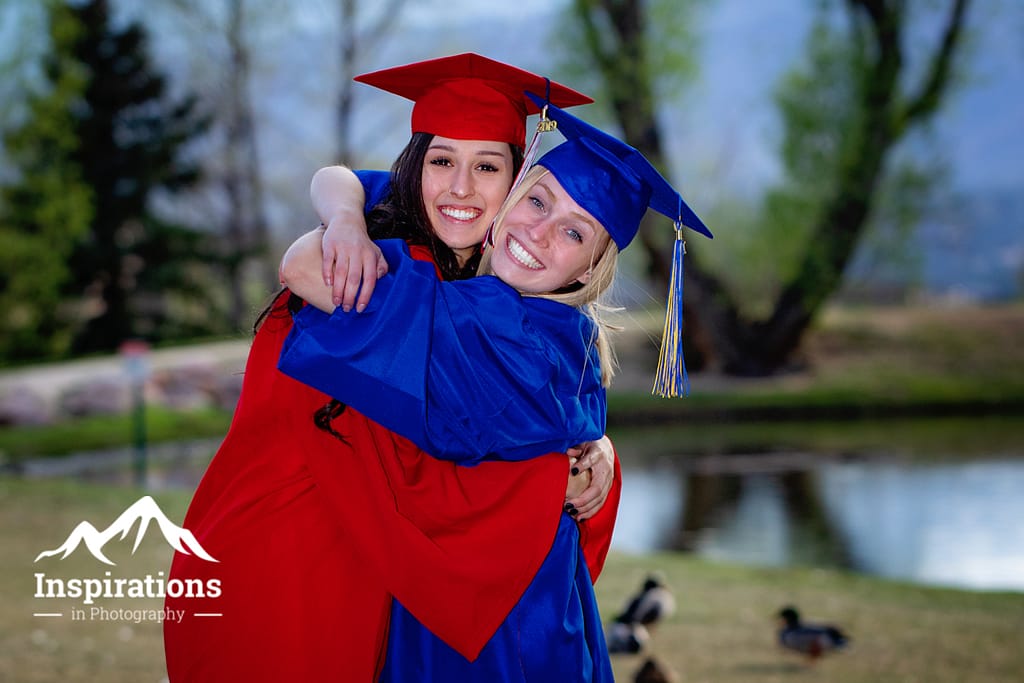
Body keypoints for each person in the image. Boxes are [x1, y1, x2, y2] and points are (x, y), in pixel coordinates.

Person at [162, 55, 617, 682]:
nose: (460, 188)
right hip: (290, 548)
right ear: (416, 168)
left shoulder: (477, 295)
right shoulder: (387, 261)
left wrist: (596, 447)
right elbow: (307, 258)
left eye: (487, 166)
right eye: (441, 161)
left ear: (513, 186)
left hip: (370, 558)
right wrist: (342, 220)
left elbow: (482, 421)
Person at [278, 96, 713, 681]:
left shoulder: (489, 323)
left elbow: (304, 268)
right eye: (536, 201)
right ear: (510, 200)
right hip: (542, 604)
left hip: (485, 630)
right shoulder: (575, 336)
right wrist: (601, 450)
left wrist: (346, 223)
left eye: (573, 231)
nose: (538, 231)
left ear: (588, 267)